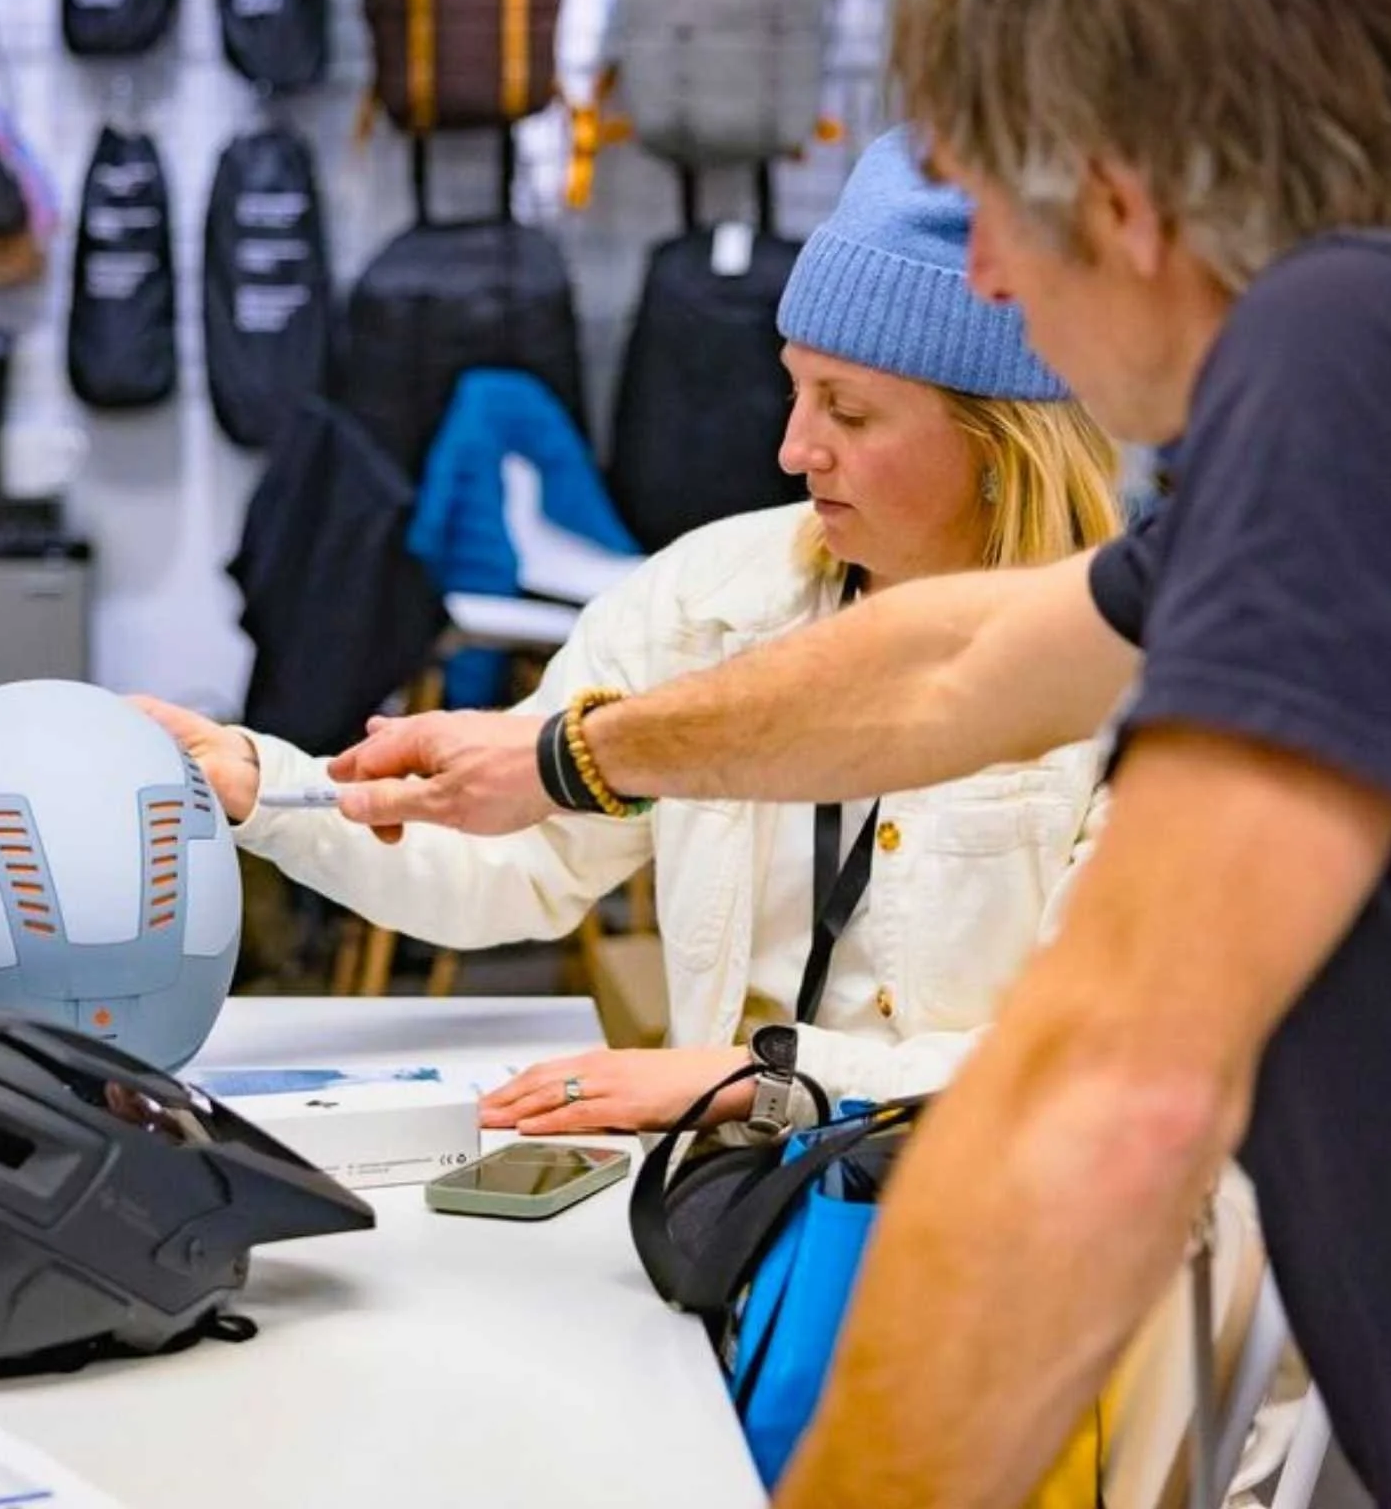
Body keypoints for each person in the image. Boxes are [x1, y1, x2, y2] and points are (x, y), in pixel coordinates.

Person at [327, 0, 1391, 1504]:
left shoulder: (1369, 367)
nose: (979, 273)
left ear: (1112, 191)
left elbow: (1112, 1094)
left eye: (986, 209)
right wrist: (577, 753)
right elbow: (965, 666)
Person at [142, 128, 1123, 1136]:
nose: (794, 450)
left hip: (988, 1214)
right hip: (735, 1216)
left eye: (851, 413)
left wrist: (757, 1080)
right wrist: (265, 787)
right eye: (794, 390)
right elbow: (516, 862)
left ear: (999, 434)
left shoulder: (1130, 675)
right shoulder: (708, 598)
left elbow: (1088, 1050)